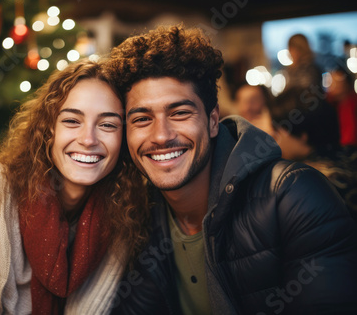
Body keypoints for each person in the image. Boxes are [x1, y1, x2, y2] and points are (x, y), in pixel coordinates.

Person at [105, 25, 357, 315]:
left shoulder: (294, 196)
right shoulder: (135, 213)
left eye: (180, 113)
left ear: (213, 121)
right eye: (141, 119)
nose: (161, 135)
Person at [0, 60, 149, 314]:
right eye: (71, 121)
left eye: (107, 125)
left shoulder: (121, 211)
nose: (88, 139)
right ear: (49, 129)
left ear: (123, 140)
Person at [270, 86, 357, 221]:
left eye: (277, 133)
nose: (273, 140)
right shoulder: (351, 154)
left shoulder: (306, 180)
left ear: (303, 135)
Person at [326, 67, 357, 147]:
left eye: (337, 82)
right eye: (330, 82)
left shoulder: (350, 104)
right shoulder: (329, 102)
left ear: (347, 84)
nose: (332, 86)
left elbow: (349, 136)